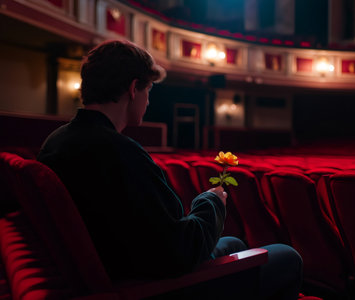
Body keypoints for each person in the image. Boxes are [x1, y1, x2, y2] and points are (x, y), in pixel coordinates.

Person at [37, 40, 302, 299]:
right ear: (133, 89)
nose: (149, 101)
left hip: (115, 264)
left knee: (234, 244)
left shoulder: (55, 142)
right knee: (287, 255)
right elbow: (178, 252)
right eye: (149, 90)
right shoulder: (121, 152)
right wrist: (211, 201)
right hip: (148, 283)